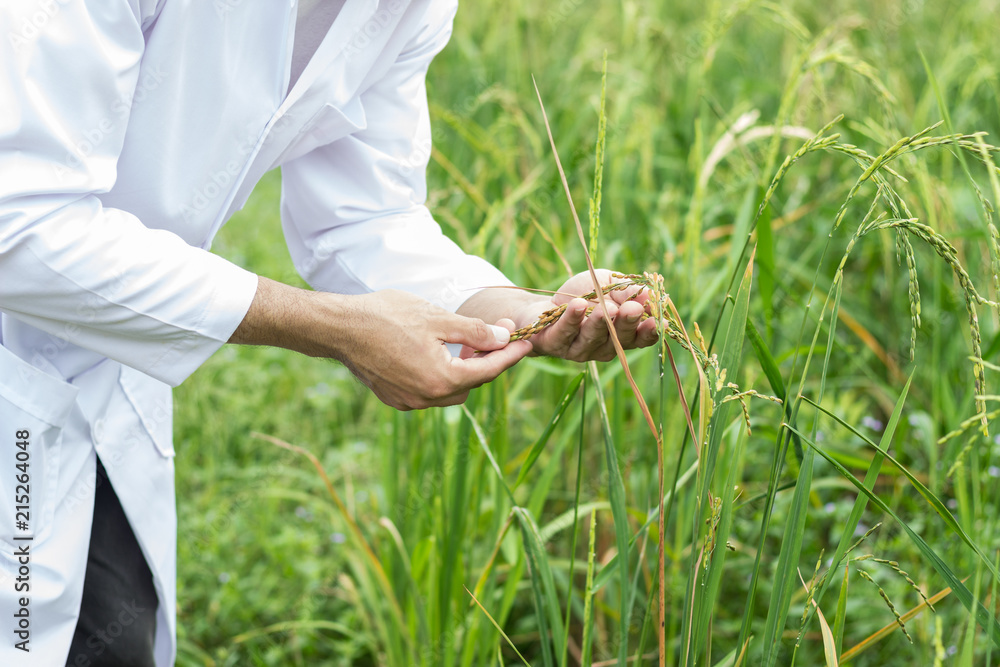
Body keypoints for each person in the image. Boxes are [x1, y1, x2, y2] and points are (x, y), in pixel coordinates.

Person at [0, 0, 658, 664]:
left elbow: (365, 218)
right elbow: (20, 226)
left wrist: (524, 314)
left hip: (102, 379)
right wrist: (329, 327)